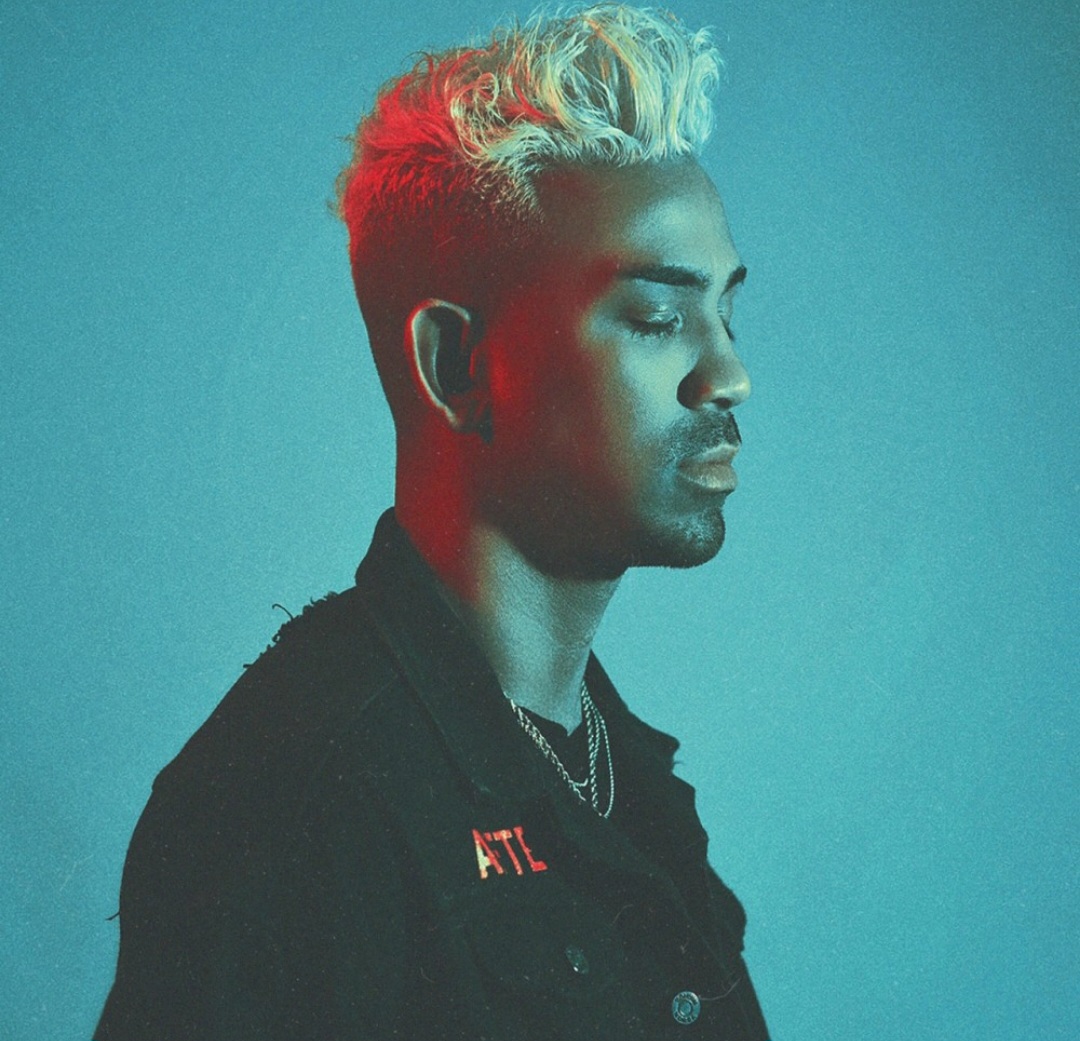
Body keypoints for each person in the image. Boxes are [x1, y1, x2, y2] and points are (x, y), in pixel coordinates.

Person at [95, 5, 769, 1038]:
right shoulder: (291, 796)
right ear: (456, 366)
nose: (729, 374)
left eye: (726, 312)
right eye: (655, 317)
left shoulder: (620, 773)